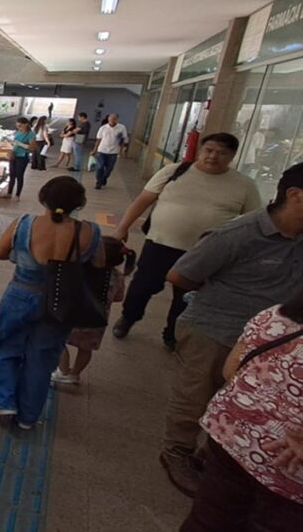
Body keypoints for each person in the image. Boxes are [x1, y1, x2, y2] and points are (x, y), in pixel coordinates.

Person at [159, 163, 303, 496]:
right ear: (295, 195)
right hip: (215, 331)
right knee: (195, 394)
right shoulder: (237, 234)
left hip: (273, 342)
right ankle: (176, 451)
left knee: (244, 400)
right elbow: (180, 275)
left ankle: (211, 454)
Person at [111, 133, 262, 347]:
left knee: (186, 298)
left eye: (222, 153)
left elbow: (252, 221)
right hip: (160, 245)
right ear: (200, 150)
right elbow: (142, 201)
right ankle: (128, 318)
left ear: (232, 156)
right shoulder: (173, 171)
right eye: (209, 150)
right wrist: (122, 228)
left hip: (204, 254)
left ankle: (172, 334)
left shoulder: (244, 185)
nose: (213, 156)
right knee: (142, 287)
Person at [0, 177, 104, 429]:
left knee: (5, 346)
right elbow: (99, 265)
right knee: (42, 358)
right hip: (62, 301)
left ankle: (3, 402)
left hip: (20, 294)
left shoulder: (24, 224)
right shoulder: (91, 232)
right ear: (79, 203)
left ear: (43, 197)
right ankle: (28, 417)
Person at [180, 293, 303, 531]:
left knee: (208, 520)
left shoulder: (275, 315)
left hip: (233, 437)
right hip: (289, 470)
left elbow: (230, 370)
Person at [53, 238, 137, 385]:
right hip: (97, 320)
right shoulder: (117, 276)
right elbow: (118, 297)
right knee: (86, 349)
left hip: (73, 316)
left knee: (60, 342)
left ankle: (62, 370)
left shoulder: (82, 269)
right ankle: (74, 374)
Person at [91, 113, 128, 189]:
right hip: (102, 150)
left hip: (113, 152)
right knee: (100, 167)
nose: (112, 120)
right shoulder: (103, 128)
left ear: (117, 119)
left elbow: (123, 140)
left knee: (109, 169)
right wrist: (94, 150)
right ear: (108, 119)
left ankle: (104, 178)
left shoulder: (121, 128)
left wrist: (122, 151)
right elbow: (98, 139)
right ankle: (99, 182)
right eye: (110, 118)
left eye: (114, 119)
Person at [2, 117, 35, 199]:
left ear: (26, 124)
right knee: (12, 174)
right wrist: (11, 143)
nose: (19, 127)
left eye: (20, 126)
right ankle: (9, 193)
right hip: (14, 155)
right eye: (17, 126)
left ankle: (17, 194)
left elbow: (32, 147)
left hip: (23, 156)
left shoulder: (30, 134)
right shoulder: (18, 132)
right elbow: (15, 143)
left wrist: (20, 144)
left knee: (19, 175)